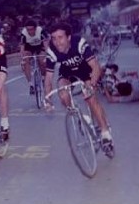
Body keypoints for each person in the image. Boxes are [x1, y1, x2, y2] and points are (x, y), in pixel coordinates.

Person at [43, 22, 113, 151]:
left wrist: (91, 86)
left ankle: (105, 133)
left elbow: (95, 67)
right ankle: (81, 118)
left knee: (90, 98)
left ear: (68, 37)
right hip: (67, 72)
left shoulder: (80, 43)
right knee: (63, 95)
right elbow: (48, 78)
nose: (57, 42)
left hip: (85, 70)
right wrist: (47, 98)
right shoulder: (52, 51)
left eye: (60, 37)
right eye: (54, 38)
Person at [20, 19, 49, 95]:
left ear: (35, 28)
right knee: (26, 61)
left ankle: (43, 78)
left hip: (40, 46)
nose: (30, 31)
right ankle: (31, 85)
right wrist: (22, 59)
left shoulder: (41, 31)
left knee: (42, 60)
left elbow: (46, 46)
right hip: (29, 47)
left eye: (31, 29)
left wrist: (47, 55)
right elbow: (22, 48)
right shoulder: (24, 34)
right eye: (28, 29)